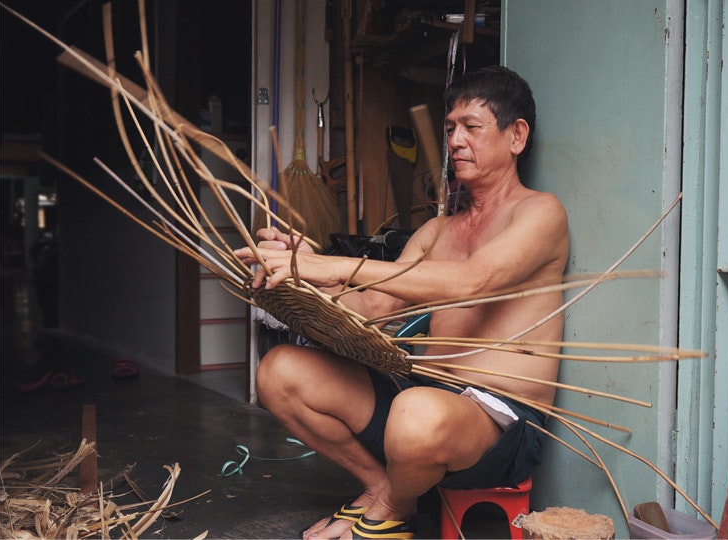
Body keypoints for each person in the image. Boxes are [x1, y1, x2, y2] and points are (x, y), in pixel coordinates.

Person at [236, 66, 569, 540]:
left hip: (495, 421)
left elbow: (474, 282)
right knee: (278, 371)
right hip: (418, 402)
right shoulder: (436, 231)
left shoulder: (541, 213)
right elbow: (373, 310)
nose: (455, 141)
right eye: (450, 128)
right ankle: (384, 490)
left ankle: (393, 502)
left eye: (472, 127)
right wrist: (304, 270)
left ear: (516, 136)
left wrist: (335, 266)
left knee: (415, 414)